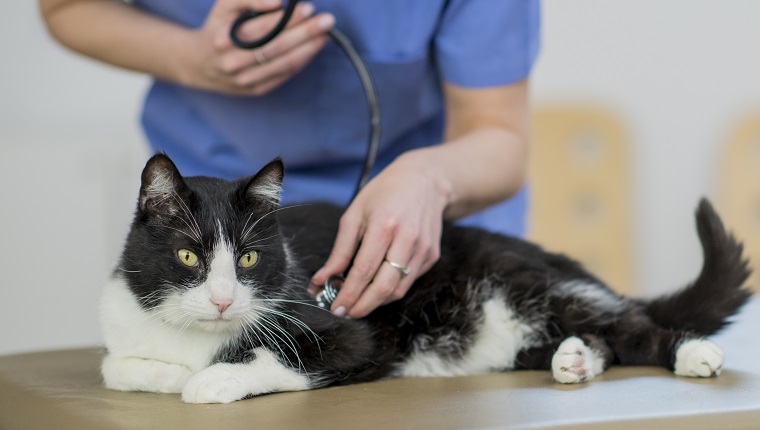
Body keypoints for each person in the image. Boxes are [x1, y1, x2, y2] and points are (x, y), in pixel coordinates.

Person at [39, 0, 540, 319]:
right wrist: (189, 56)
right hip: (217, 219)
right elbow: (64, 7)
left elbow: (498, 134)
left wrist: (433, 177)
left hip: (419, 225)